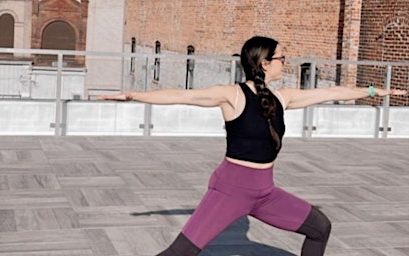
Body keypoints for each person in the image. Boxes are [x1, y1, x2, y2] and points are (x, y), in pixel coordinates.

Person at [98, 36, 408, 256]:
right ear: (264, 62)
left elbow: (329, 92)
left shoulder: (282, 97)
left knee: (320, 227)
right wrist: (131, 95)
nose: (285, 62)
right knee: (180, 252)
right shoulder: (232, 96)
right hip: (230, 190)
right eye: (281, 57)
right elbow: (182, 95)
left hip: (265, 192)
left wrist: (372, 90)